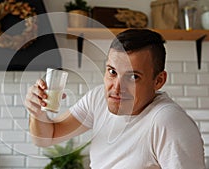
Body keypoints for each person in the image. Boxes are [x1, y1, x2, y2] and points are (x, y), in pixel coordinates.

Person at [24, 29, 205, 169]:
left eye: (133, 77)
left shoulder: (168, 121)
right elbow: (47, 137)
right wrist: (37, 112)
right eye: (112, 72)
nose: (116, 88)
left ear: (159, 80)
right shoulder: (98, 99)